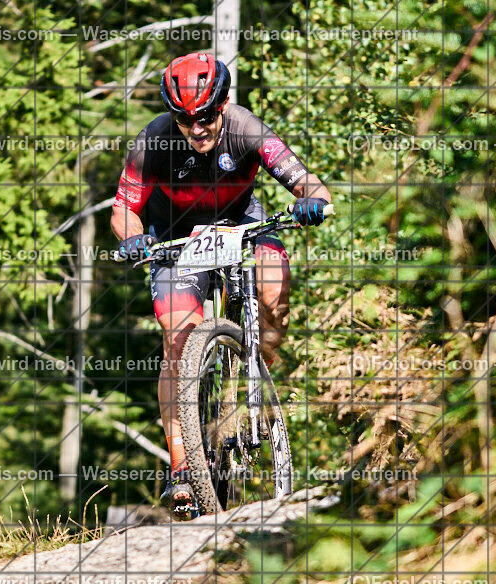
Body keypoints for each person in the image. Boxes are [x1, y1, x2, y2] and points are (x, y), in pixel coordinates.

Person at [110, 53, 332, 517]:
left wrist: (312, 199)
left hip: (239, 223)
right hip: (174, 235)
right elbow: (124, 209)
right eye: (186, 119)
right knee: (178, 341)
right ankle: (183, 468)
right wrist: (133, 241)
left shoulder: (247, 129)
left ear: (224, 103)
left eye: (207, 116)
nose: (197, 128)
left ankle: (255, 374)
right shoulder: (153, 141)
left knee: (273, 290)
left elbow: (308, 182)